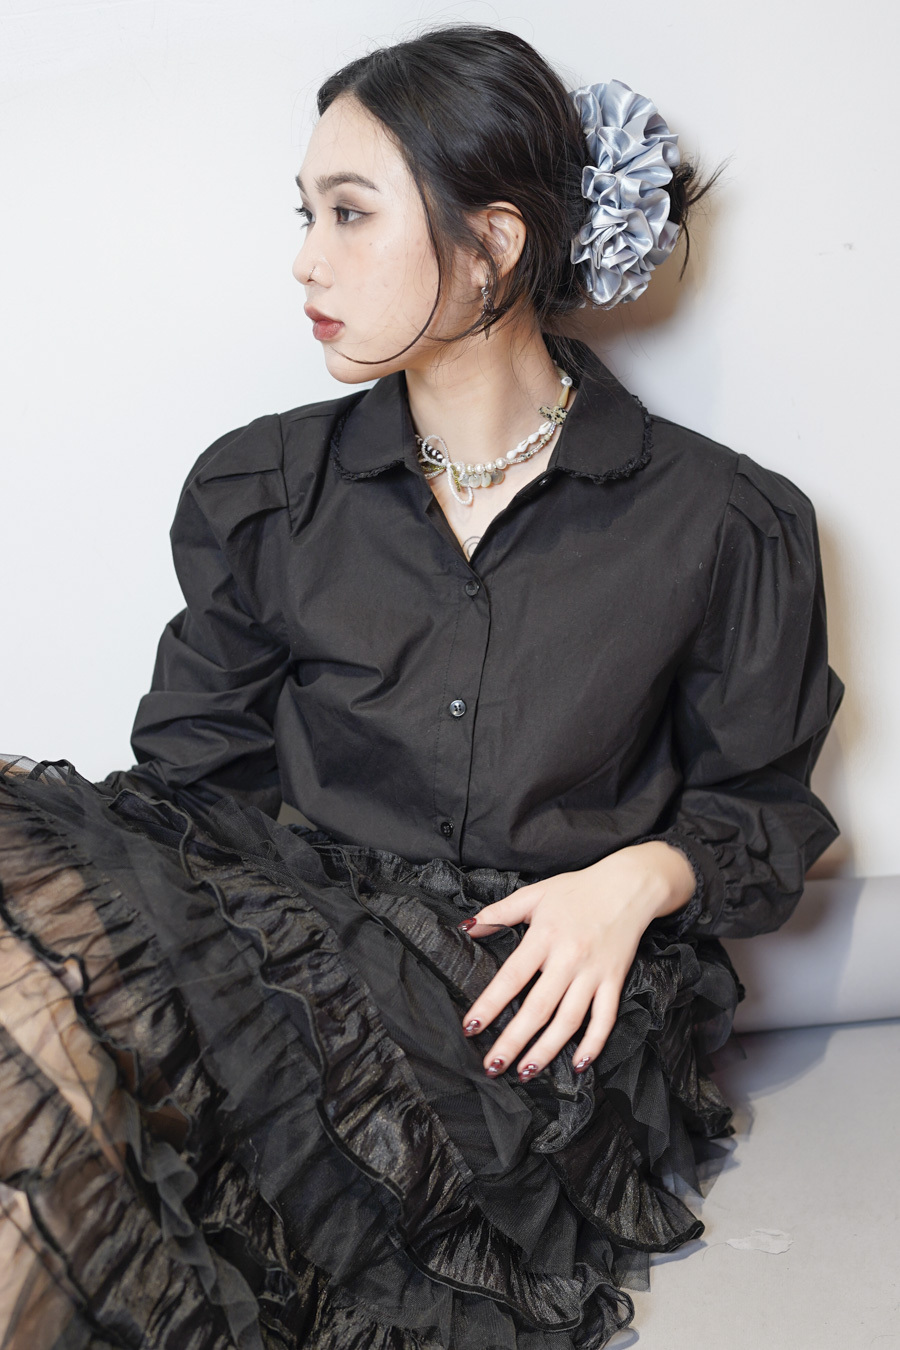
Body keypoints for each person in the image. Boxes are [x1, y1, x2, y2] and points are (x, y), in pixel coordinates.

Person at [0, 23, 843, 1350]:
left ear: (494, 242)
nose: (306, 258)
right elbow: (191, 785)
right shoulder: (265, 488)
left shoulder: (725, 520)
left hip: (527, 1011)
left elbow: (765, 811)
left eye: (349, 213)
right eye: (306, 214)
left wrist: (636, 880)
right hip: (304, 958)